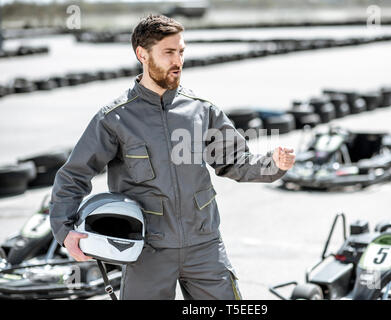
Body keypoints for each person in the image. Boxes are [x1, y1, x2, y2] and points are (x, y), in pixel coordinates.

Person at [49, 14, 295, 300]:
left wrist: (273, 164)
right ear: (142, 54)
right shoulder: (115, 119)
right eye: (169, 52)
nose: (178, 60)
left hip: (204, 248)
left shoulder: (201, 111)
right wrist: (64, 230)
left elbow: (235, 162)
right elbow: (75, 174)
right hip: (146, 253)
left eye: (181, 52)